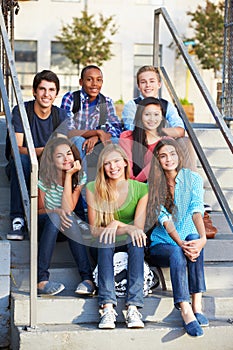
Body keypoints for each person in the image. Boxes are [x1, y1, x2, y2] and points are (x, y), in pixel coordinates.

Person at [146, 138, 209, 337]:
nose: (169, 159)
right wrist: (180, 243)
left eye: (172, 154)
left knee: (194, 239)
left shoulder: (193, 179)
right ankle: (185, 308)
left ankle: (197, 305)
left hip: (187, 239)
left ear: (179, 156)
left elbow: (196, 209)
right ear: (157, 160)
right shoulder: (153, 184)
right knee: (177, 250)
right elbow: (163, 219)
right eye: (163, 156)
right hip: (162, 243)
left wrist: (203, 238)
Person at [86, 144, 148, 329]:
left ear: (125, 163)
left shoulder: (141, 189)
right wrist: (122, 227)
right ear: (102, 167)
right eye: (107, 163)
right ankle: (107, 307)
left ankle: (134, 307)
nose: (113, 167)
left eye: (116, 161)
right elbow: (95, 231)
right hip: (102, 244)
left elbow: (138, 229)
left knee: (136, 241)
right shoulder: (93, 188)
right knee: (105, 240)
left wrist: (117, 224)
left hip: (130, 241)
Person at [7, 70, 69, 241]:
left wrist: (48, 155)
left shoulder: (61, 115)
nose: (46, 94)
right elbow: (16, 149)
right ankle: (17, 218)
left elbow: (60, 150)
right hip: (24, 164)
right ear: (34, 91)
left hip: (48, 167)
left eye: (51, 90)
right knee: (22, 161)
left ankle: (72, 216)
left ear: (56, 94)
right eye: (42, 89)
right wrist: (43, 151)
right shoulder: (22, 111)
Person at [37, 137, 95, 296]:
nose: (66, 159)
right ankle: (41, 280)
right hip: (44, 225)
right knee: (57, 217)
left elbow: (68, 208)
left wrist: (69, 176)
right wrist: (56, 212)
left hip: (66, 225)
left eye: (69, 154)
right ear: (51, 159)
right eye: (59, 156)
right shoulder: (43, 176)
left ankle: (87, 279)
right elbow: (37, 211)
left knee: (69, 217)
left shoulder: (79, 176)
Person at [61, 65, 122, 176]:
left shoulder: (106, 101)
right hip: (77, 145)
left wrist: (97, 136)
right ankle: (81, 187)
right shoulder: (71, 98)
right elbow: (68, 131)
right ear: (81, 82)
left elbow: (116, 128)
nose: (94, 84)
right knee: (78, 140)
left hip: (97, 143)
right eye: (89, 79)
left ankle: (115, 186)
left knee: (118, 142)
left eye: (98, 80)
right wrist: (96, 132)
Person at [122, 65, 185, 139]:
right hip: (140, 145)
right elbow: (133, 131)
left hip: (162, 143)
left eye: (152, 81)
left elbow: (180, 131)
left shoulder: (167, 105)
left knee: (186, 141)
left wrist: (157, 132)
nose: (148, 85)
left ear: (159, 84)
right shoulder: (132, 105)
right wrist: (161, 132)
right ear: (139, 86)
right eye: (143, 82)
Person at [119, 97, 169, 182]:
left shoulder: (167, 141)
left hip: (156, 186)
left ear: (162, 117)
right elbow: (127, 167)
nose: (152, 119)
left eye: (156, 114)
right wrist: (135, 185)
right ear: (140, 116)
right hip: (130, 185)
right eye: (147, 114)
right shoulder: (127, 137)